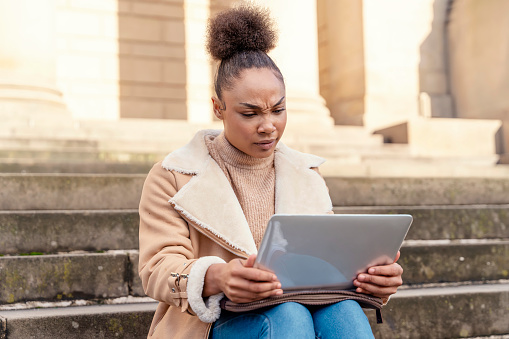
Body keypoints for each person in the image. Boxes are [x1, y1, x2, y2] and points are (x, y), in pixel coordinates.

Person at [138, 4, 403, 339]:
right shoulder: (173, 175)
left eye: (278, 109)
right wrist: (217, 276)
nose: (268, 126)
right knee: (289, 317)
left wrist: (374, 280)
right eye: (250, 114)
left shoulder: (305, 173)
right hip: (210, 322)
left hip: (299, 311)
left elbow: (325, 262)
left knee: (345, 313)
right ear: (218, 107)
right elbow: (157, 268)